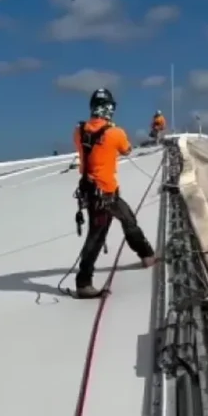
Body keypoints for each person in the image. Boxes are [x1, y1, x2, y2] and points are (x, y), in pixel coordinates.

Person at [72, 88, 158, 299]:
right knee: (97, 236)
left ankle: (147, 255)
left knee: (128, 219)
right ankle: (83, 283)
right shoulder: (115, 133)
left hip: (92, 191)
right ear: (109, 109)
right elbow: (127, 150)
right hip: (105, 191)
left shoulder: (79, 131)